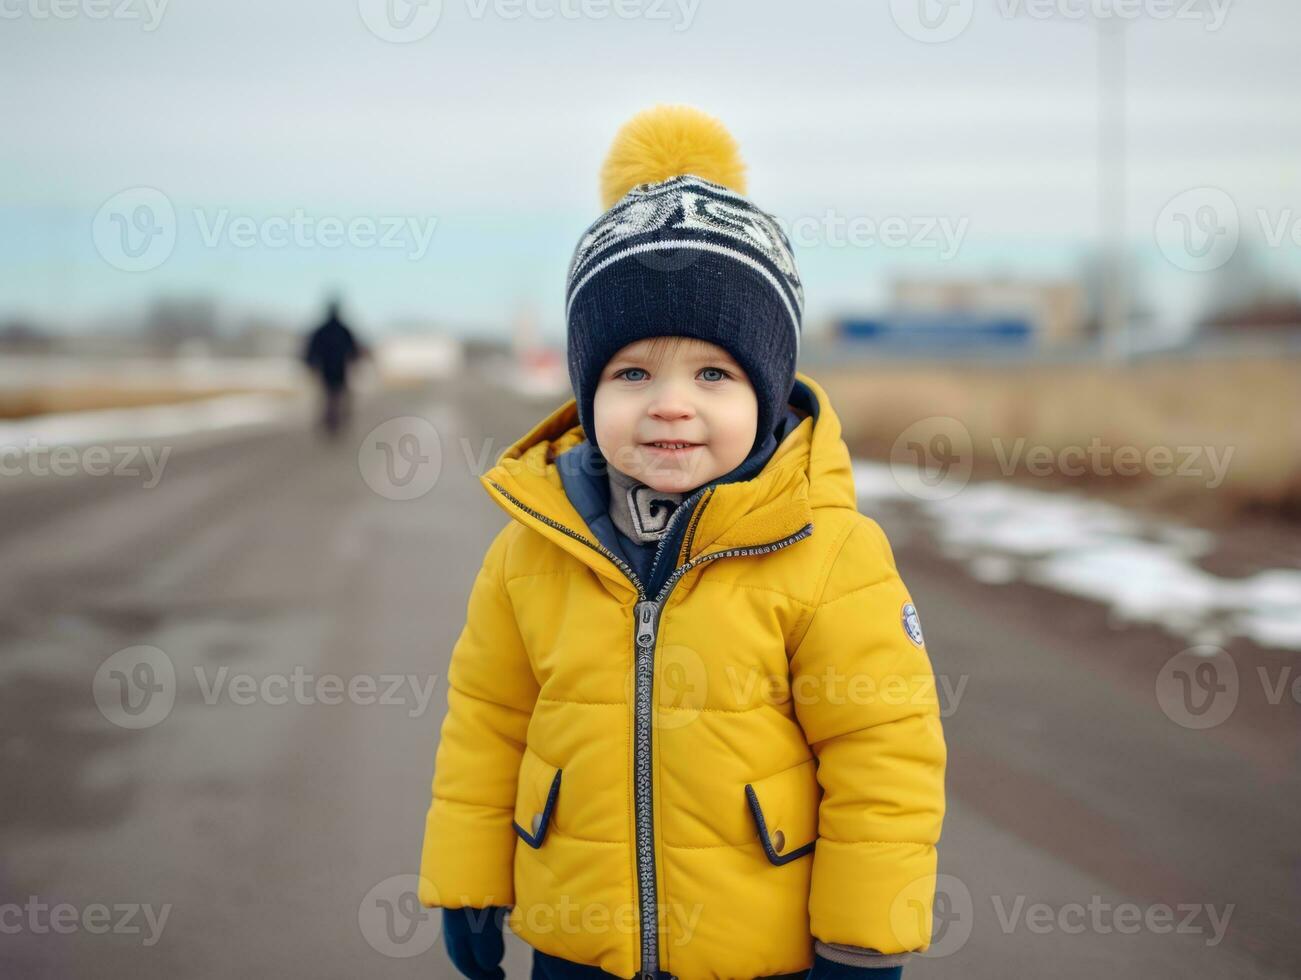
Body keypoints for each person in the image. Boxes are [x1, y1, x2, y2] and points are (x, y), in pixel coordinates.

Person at [418, 105, 947, 980]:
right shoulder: (531, 551)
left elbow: (883, 754)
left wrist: (862, 937)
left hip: (759, 954)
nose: (670, 404)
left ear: (769, 394)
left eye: (713, 373)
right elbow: (488, 723)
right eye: (631, 373)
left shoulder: (830, 552)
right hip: (575, 944)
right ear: (587, 395)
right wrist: (470, 875)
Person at [301, 296, 365, 438]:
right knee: (338, 396)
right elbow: (354, 350)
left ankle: (332, 420)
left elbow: (311, 350)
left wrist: (310, 363)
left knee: (330, 396)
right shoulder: (342, 330)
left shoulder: (323, 330)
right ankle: (336, 421)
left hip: (328, 370)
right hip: (338, 370)